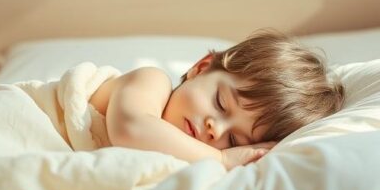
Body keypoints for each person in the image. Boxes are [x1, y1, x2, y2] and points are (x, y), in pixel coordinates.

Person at [89, 29, 346, 170]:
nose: (216, 129)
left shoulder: (183, 165)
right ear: (201, 67)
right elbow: (130, 129)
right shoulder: (151, 81)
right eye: (220, 103)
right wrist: (222, 159)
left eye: (233, 140)